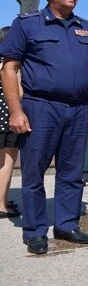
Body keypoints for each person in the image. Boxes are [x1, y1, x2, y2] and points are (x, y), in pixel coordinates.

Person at [0, 0, 88, 254]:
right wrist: (16, 111)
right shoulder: (28, 24)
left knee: (72, 172)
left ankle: (67, 224)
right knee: (34, 172)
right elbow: (9, 68)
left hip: (77, 109)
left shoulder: (87, 28)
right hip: (40, 107)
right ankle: (35, 230)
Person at [0, 26, 21, 219]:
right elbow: (19, 93)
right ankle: (1, 205)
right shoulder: (10, 66)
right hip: (6, 119)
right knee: (7, 162)